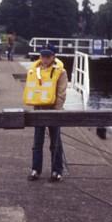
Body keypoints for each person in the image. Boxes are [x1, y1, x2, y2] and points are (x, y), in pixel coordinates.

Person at [22, 44, 68, 182]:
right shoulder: (35, 70)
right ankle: (35, 170)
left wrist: (56, 111)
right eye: (43, 55)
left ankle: (57, 171)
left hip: (53, 111)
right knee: (37, 142)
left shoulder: (61, 72)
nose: (45, 59)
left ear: (54, 56)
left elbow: (61, 93)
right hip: (39, 110)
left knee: (55, 143)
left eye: (48, 56)